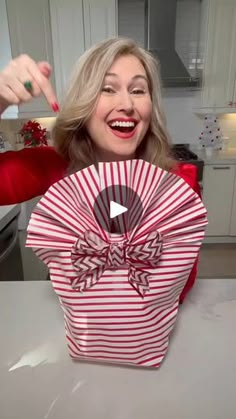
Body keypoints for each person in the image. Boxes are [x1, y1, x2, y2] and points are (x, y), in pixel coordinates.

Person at [0, 37, 201, 302]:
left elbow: (178, 288)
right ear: (84, 103)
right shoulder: (55, 168)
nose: (127, 105)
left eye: (138, 90)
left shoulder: (177, 186)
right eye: (107, 88)